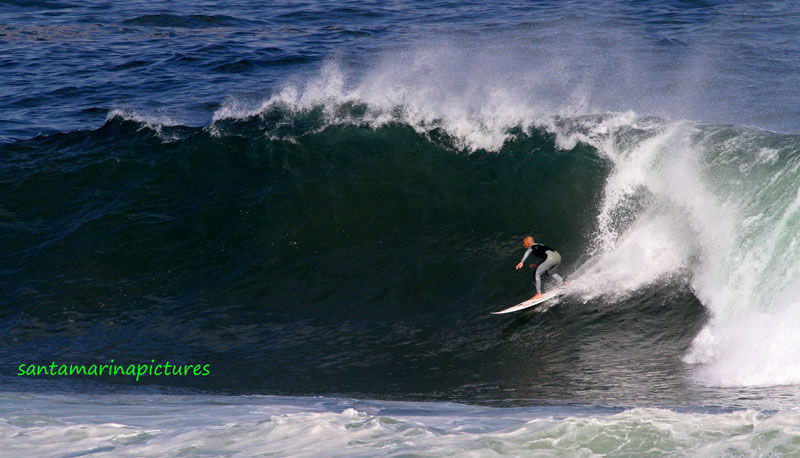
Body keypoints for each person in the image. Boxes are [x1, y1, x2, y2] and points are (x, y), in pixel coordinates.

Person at [515, 235, 567, 300]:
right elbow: (544, 255)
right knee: (549, 272)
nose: (523, 245)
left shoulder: (531, 246)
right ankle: (565, 282)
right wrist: (536, 263)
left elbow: (527, 253)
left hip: (550, 258)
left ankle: (538, 294)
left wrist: (522, 261)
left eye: (524, 243)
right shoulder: (540, 245)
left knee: (535, 274)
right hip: (557, 256)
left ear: (528, 243)